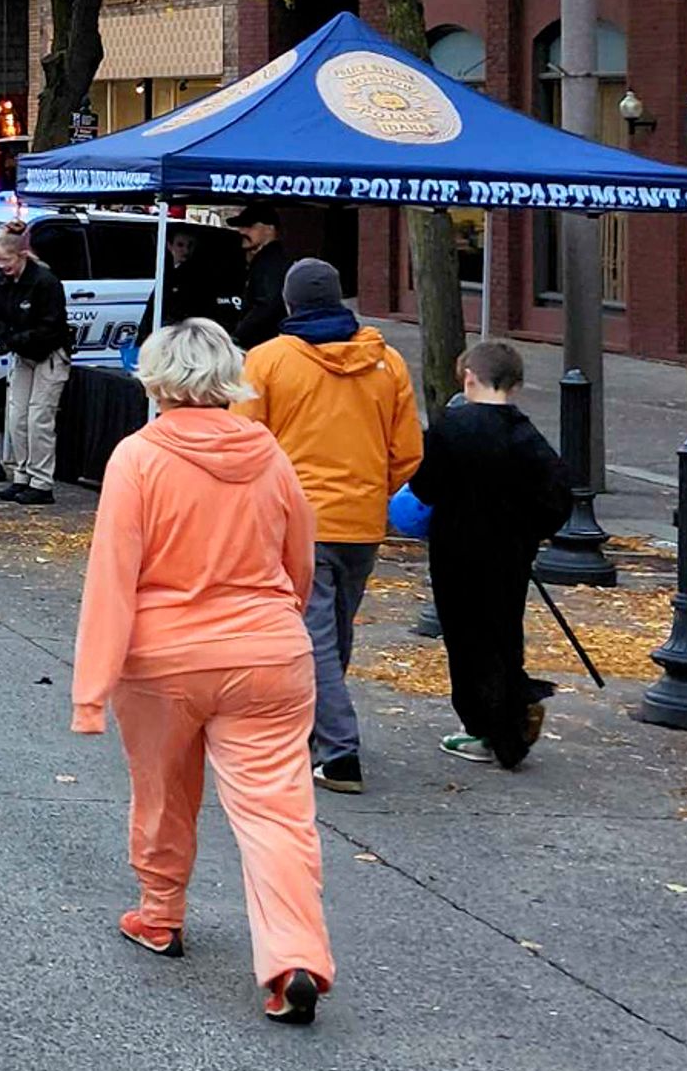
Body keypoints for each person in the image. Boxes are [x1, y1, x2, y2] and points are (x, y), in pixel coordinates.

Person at [70, 317, 336, 1024]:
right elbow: (299, 558)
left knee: (162, 790)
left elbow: (113, 577)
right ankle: (293, 956)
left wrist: (91, 689)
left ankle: (160, 914)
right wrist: (279, 619)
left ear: (156, 380)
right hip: (267, 651)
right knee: (278, 812)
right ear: (229, 379)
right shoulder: (269, 453)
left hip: (164, 656)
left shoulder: (139, 457)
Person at [239, 255, 423, 795]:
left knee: (312, 635)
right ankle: (315, 731)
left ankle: (338, 748)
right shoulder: (386, 362)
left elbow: (244, 444)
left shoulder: (267, 362)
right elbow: (408, 452)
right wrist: (374, 489)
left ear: (290, 304)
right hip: (362, 521)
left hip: (296, 519)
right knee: (334, 630)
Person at [412, 340, 575, 768]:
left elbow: (425, 485)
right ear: (515, 385)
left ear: (468, 378)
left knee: (464, 638)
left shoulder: (450, 428)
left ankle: (486, 726)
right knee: (503, 632)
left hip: (456, 549)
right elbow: (558, 496)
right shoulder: (525, 435)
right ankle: (509, 707)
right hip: (509, 552)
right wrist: (530, 531)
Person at [0, 218, 74, 505]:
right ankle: (21, 474)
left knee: (39, 418)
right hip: (22, 354)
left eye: (5, 260)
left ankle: (42, 481)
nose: (0, 265)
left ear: (21, 256)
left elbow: (52, 326)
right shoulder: (1, 281)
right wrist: (2, 339)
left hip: (50, 354)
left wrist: (14, 340)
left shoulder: (46, 282)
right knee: (16, 417)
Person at [231, 205, 294, 347]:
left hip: (263, 344)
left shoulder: (271, 263)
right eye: (241, 226)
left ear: (269, 229)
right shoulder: (264, 260)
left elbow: (267, 304)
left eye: (249, 226)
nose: (241, 231)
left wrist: (238, 336)